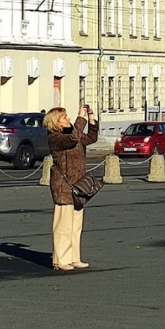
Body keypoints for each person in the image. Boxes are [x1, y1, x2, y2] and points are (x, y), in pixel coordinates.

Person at [43, 104, 98, 272]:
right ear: (56, 123)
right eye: (64, 117)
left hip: (78, 183)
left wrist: (92, 120)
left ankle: (74, 257)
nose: (68, 119)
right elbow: (74, 138)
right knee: (63, 225)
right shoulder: (56, 137)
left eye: (67, 116)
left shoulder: (74, 133)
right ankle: (60, 259)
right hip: (63, 185)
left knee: (76, 224)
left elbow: (90, 138)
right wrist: (80, 118)